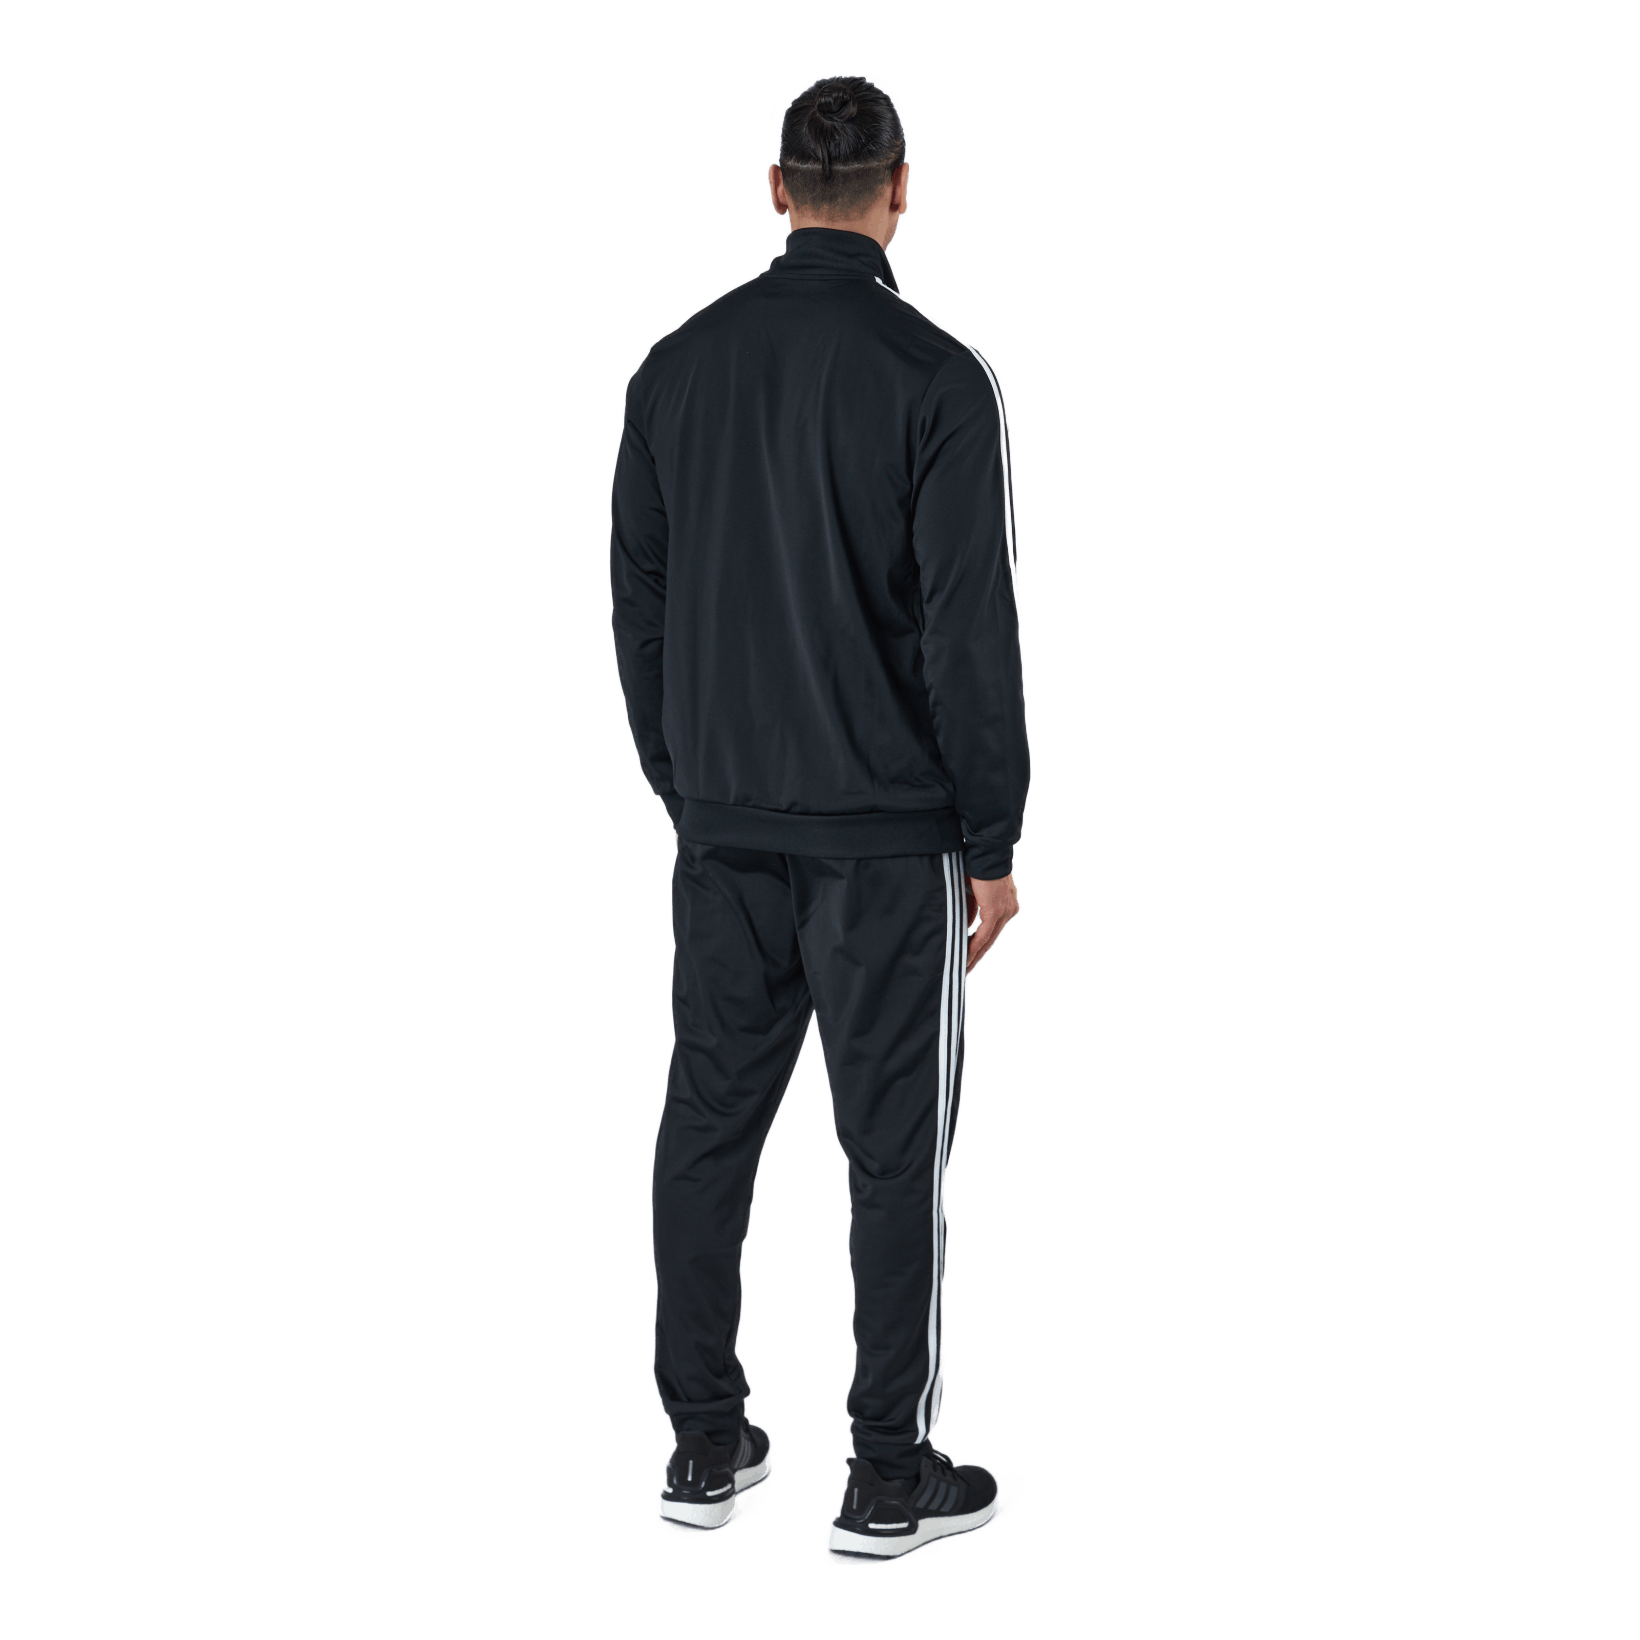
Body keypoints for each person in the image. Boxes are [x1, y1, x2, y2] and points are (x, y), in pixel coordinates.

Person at [609, 73, 1030, 1560]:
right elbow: (972, 633)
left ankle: (703, 1452)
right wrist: (993, 841)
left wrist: (687, 781)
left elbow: (638, 608)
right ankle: (887, 1482)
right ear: (900, 191)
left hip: (725, 831)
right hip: (885, 843)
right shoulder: (940, 378)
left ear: (779, 190)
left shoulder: (673, 367)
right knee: (893, 1158)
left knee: (705, 1132)